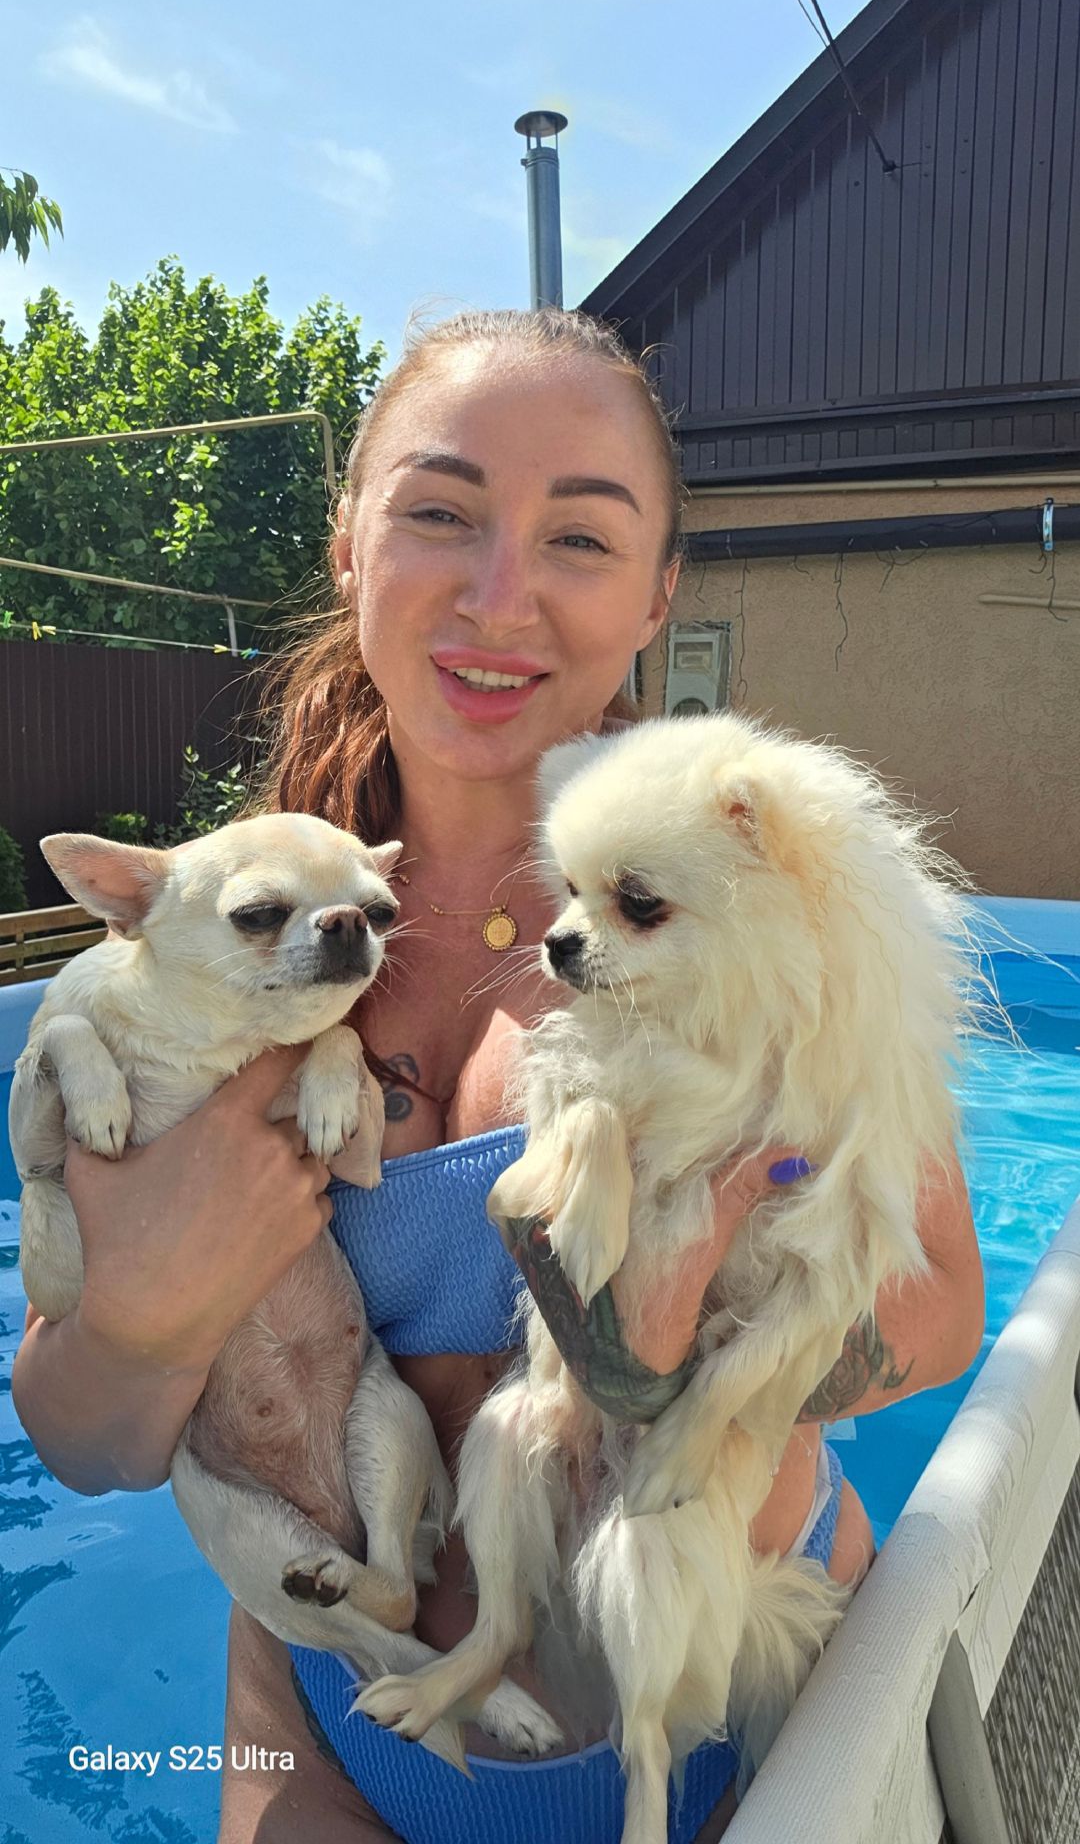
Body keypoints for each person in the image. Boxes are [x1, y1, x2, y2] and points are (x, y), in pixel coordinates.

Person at [12, 308, 985, 1843]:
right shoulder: (229, 946)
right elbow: (89, 1442)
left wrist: (659, 1367)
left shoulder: (762, 915)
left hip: (747, 1708)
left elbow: (938, 1310)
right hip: (334, 1724)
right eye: (442, 514)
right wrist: (148, 1317)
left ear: (660, 590)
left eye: (579, 538)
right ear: (349, 541)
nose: (499, 594)